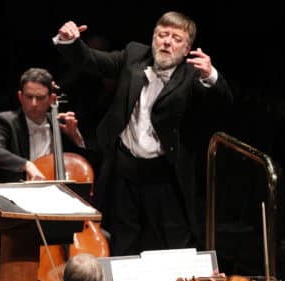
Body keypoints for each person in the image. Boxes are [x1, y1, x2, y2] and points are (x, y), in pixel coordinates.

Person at [53, 11, 233, 256]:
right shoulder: (135, 55)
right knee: (124, 243)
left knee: (173, 247)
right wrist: (70, 42)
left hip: (166, 176)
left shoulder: (193, 75)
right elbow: (94, 61)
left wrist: (211, 76)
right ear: (153, 37)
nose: (167, 41)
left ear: (187, 47)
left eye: (176, 38)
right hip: (126, 171)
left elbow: (221, 106)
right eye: (162, 35)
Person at [0, 67, 86, 183]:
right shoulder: (7, 122)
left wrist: (76, 138)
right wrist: (27, 165)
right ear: (20, 97)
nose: (34, 104)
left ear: (52, 99)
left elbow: (83, 165)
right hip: (15, 194)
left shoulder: (59, 126)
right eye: (29, 97)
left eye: (40, 98)